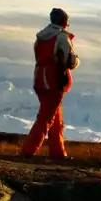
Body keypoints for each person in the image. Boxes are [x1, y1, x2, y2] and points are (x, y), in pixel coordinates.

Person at [21, 8, 80, 159]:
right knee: (46, 118)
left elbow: (38, 56)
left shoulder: (40, 37)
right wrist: (76, 60)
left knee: (55, 119)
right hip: (55, 81)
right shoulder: (61, 38)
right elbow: (69, 61)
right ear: (64, 22)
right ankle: (27, 152)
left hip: (40, 79)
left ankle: (58, 153)